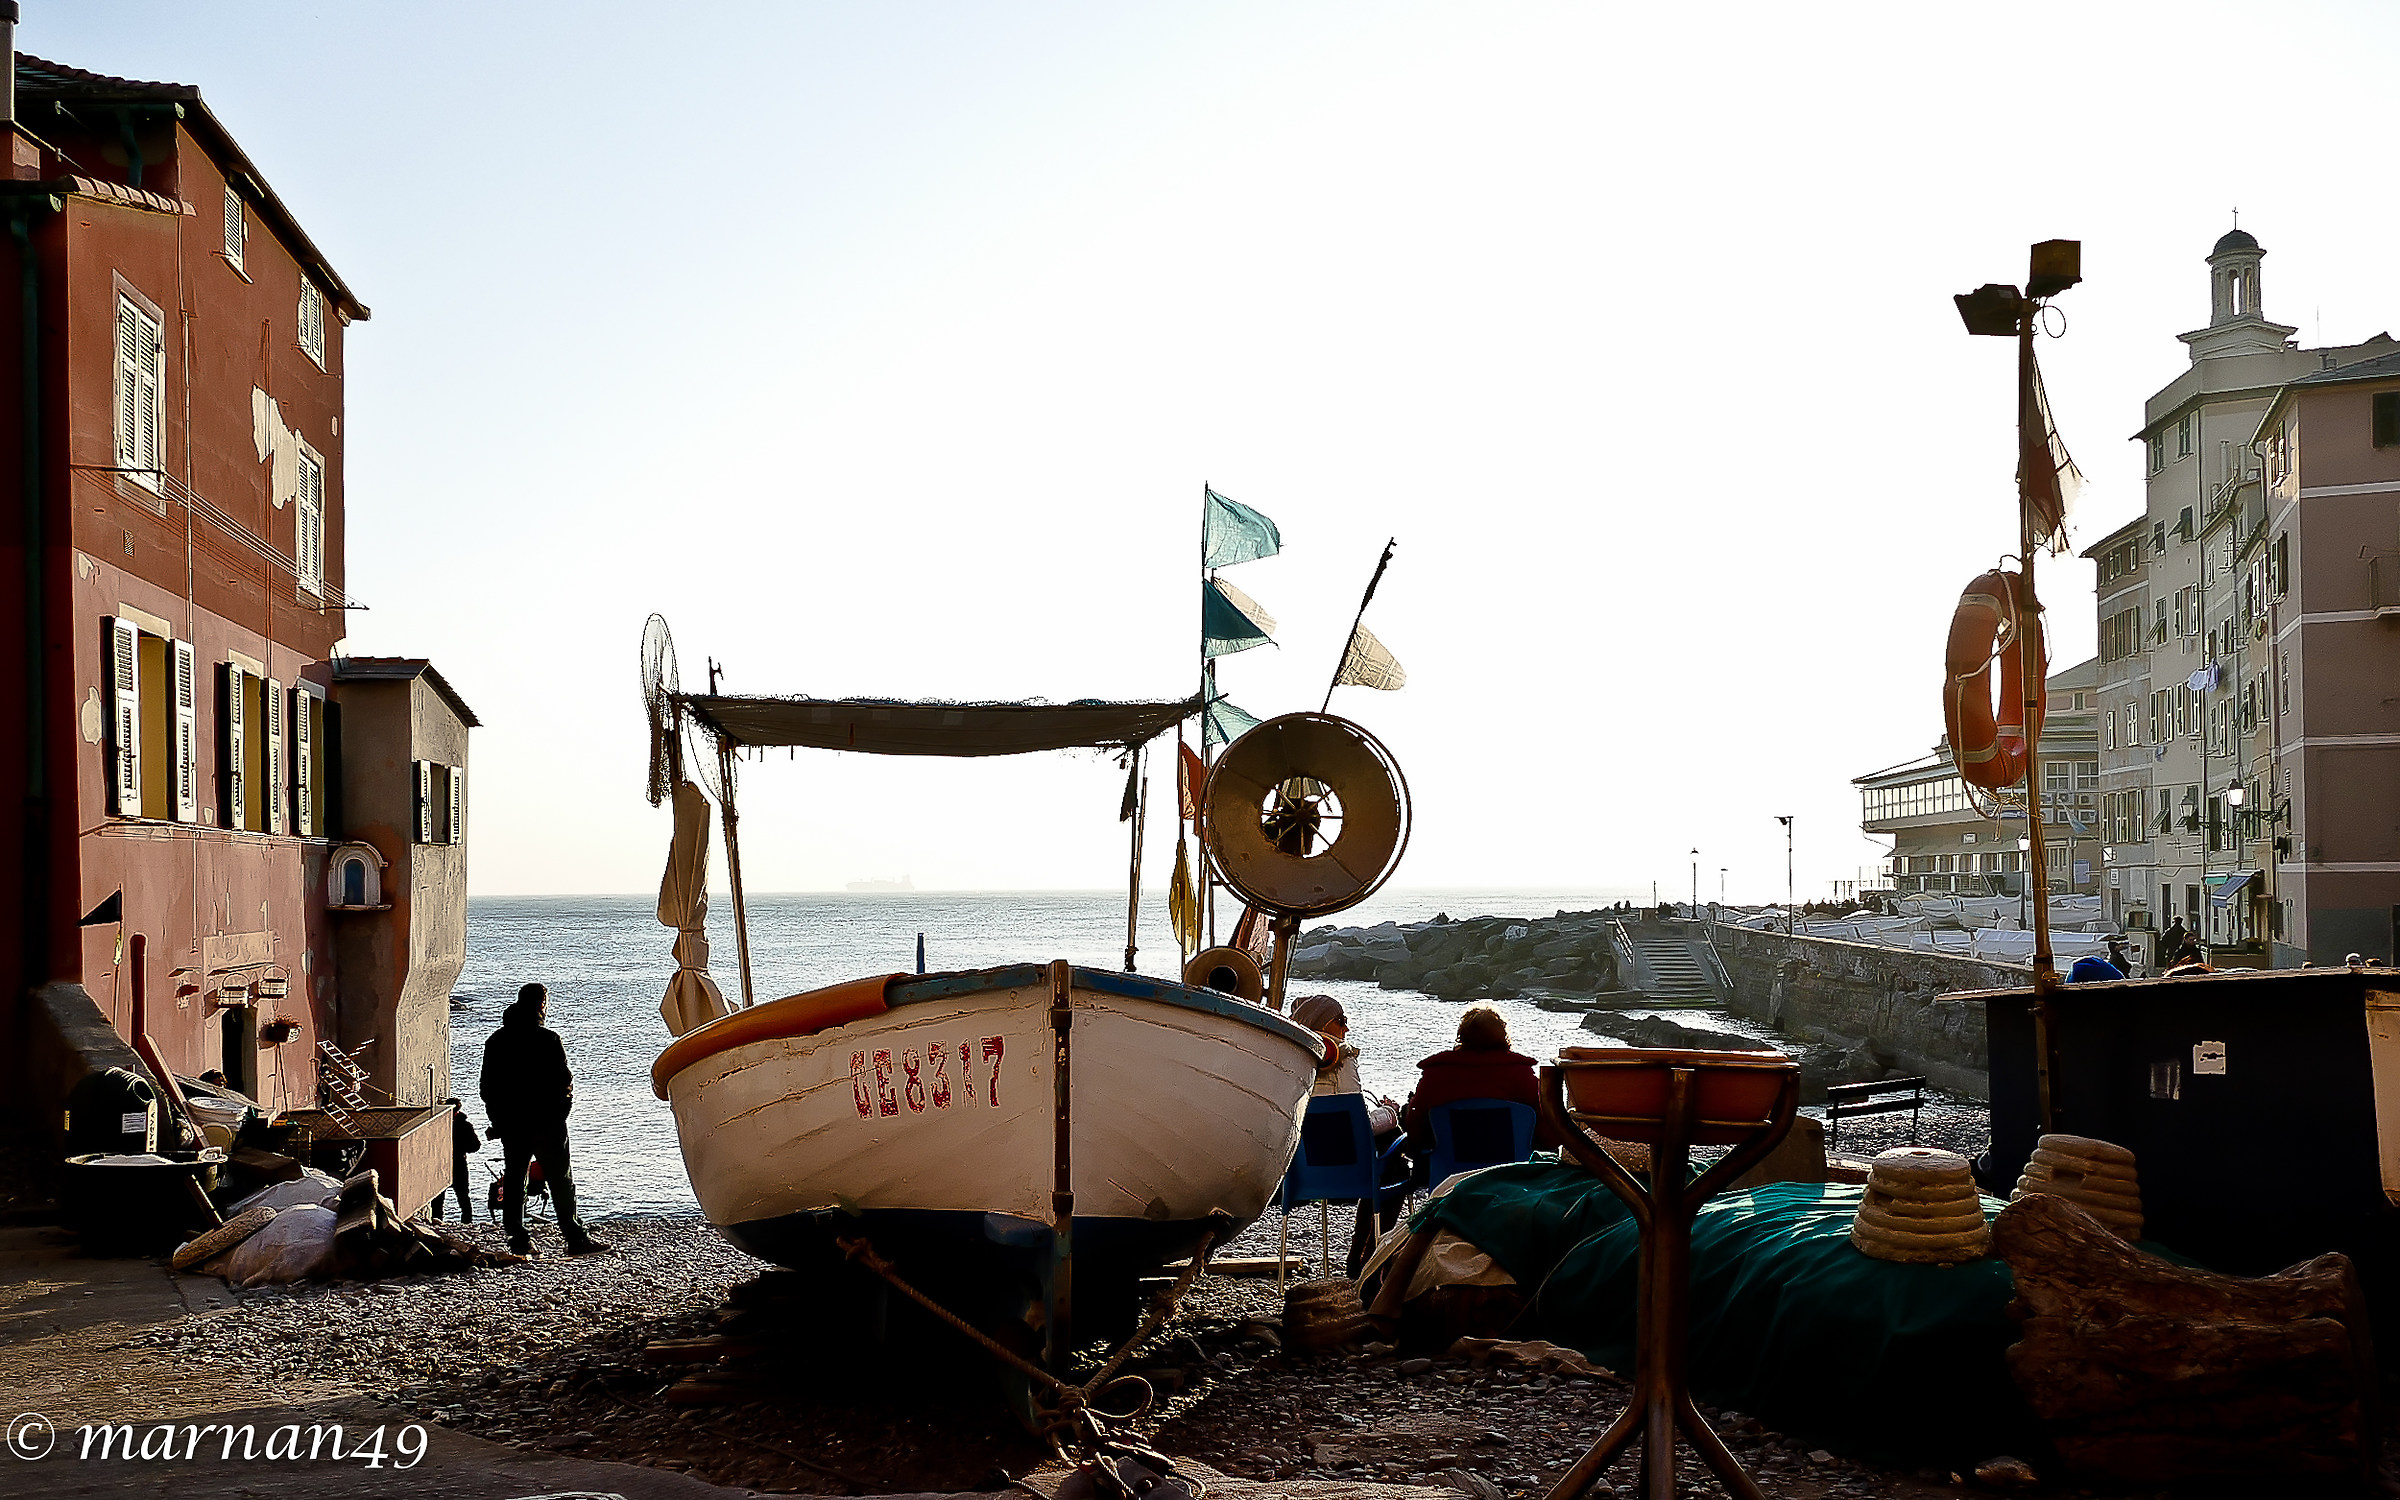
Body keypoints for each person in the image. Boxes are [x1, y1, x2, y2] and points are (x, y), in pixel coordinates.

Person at [479, 984, 606, 1256]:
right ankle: (574, 1238)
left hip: (513, 1124)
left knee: (514, 1179)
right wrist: (561, 1113)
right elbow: (564, 1081)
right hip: (547, 1123)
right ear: (541, 1005)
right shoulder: (548, 1039)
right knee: (560, 1180)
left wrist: (499, 1119)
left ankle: (518, 1239)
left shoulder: (496, 1041)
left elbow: (487, 1088)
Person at [1400, 1003, 1562, 1155]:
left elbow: (1417, 1133)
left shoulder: (1435, 1075)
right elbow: (1549, 1134)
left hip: (1446, 1170)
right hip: (1512, 1169)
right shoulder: (1522, 1076)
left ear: (1462, 1037)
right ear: (1503, 1037)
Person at [429, 1097, 482, 1223]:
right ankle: (467, 1223)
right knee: (463, 1197)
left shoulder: (438, 1125)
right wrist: (462, 1148)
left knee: (438, 1198)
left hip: (441, 1164)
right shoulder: (465, 1125)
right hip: (459, 1163)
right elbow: (475, 1146)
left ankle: (437, 1222)